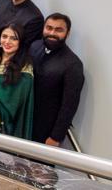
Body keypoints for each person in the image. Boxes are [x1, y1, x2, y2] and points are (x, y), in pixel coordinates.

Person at [29, 13, 85, 146]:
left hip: (46, 130)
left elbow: (69, 105)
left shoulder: (73, 64)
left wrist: (56, 137)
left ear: (67, 33)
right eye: (49, 28)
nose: (52, 33)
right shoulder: (34, 46)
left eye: (59, 30)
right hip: (25, 120)